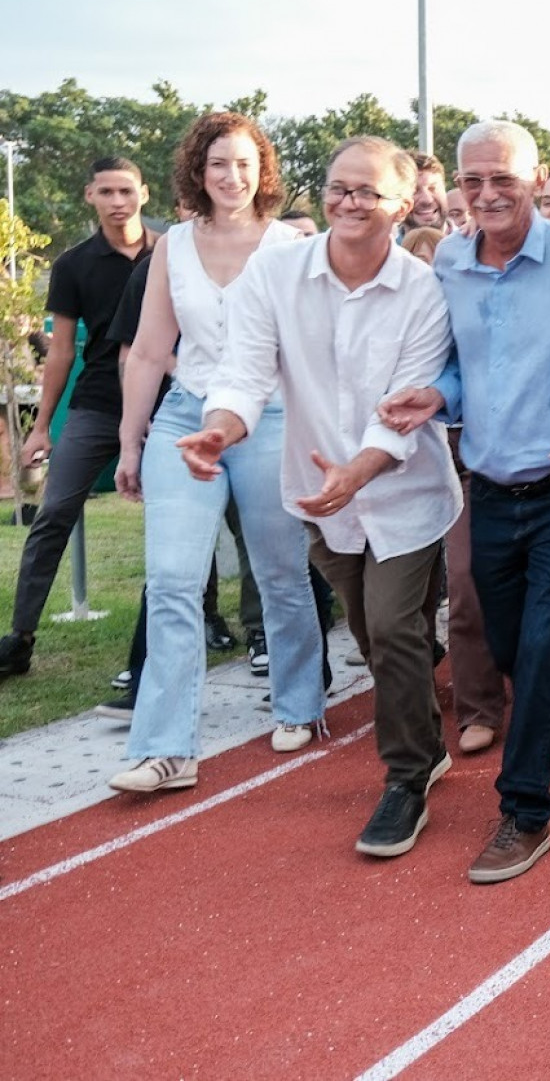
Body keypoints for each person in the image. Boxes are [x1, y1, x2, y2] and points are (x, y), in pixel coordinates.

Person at [177, 136, 460, 857]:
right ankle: (423, 730)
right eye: (338, 187)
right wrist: (219, 428)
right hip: (318, 495)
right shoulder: (274, 275)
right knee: (374, 634)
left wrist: (356, 473)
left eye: (367, 190)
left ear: (403, 203)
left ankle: (406, 776)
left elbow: (400, 412)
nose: (349, 201)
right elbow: (243, 372)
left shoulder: (424, 289)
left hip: (403, 493)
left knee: (394, 629)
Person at [380, 119, 550, 883]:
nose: (487, 195)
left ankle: (524, 812)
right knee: (503, 649)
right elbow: (464, 368)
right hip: (489, 485)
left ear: (533, 180)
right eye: (472, 182)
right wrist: (436, 393)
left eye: (504, 180)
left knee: (539, 641)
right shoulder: (452, 262)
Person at [108, 113, 329, 793]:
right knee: (172, 579)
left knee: (280, 572)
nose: (231, 177)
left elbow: (318, 348)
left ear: (262, 171)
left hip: (270, 418)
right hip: (185, 414)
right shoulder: (172, 246)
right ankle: (165, 749)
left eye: (243, 163)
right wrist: (129, 435)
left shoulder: (292, 244)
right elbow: (148, 349)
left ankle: (299, 703)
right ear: (196, 175)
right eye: (216, 165)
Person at [0, 158, 155, 679]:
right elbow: (61, 350)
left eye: (126, 191)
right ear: (90, 195)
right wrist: (42, 426)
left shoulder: (172, 253)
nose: (117, 201)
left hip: (165, 402)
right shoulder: (72, 264)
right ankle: (19, 638)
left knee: (182, 516)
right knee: (53, 515)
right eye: (106, 191)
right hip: (96, 405)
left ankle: (215, 625)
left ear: (144, 194)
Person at [405, 152, 448, 230]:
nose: (427, 200)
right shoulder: (380, 241)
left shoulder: (473, 240)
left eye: (433, 188)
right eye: (414, 190)